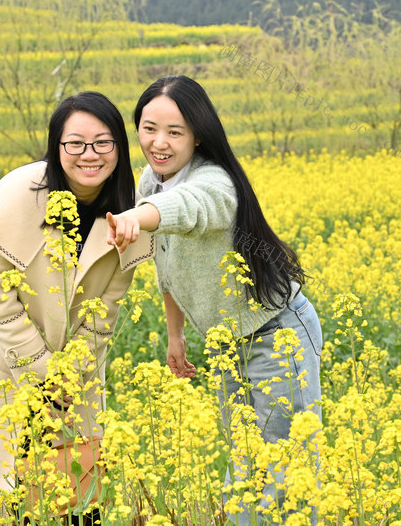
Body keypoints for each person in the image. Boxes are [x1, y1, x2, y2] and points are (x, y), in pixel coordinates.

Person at [106, 75, 323, 525]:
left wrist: (138, 216)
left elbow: (187, 208)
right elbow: (166, 265)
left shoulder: (216, 183)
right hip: (226, 345)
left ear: (198, 135)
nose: (159, 143)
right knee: (244, 465)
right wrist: (176, 334)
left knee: (286, 473)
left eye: (175, 132)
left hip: (276, 334)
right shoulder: (151, 181)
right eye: (149, 128)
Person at [0, 91, 155, 515]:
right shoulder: (11, 198)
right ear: (56, 147)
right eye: (76, 143)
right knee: (10, 493)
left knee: (78, 497)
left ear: (120, 148)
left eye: (103, 142)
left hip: (75, 378)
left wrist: (68, 378)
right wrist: (45, 376)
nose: (90, 154)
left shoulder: (131, 215)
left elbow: (105, 313)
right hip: (6, 364)